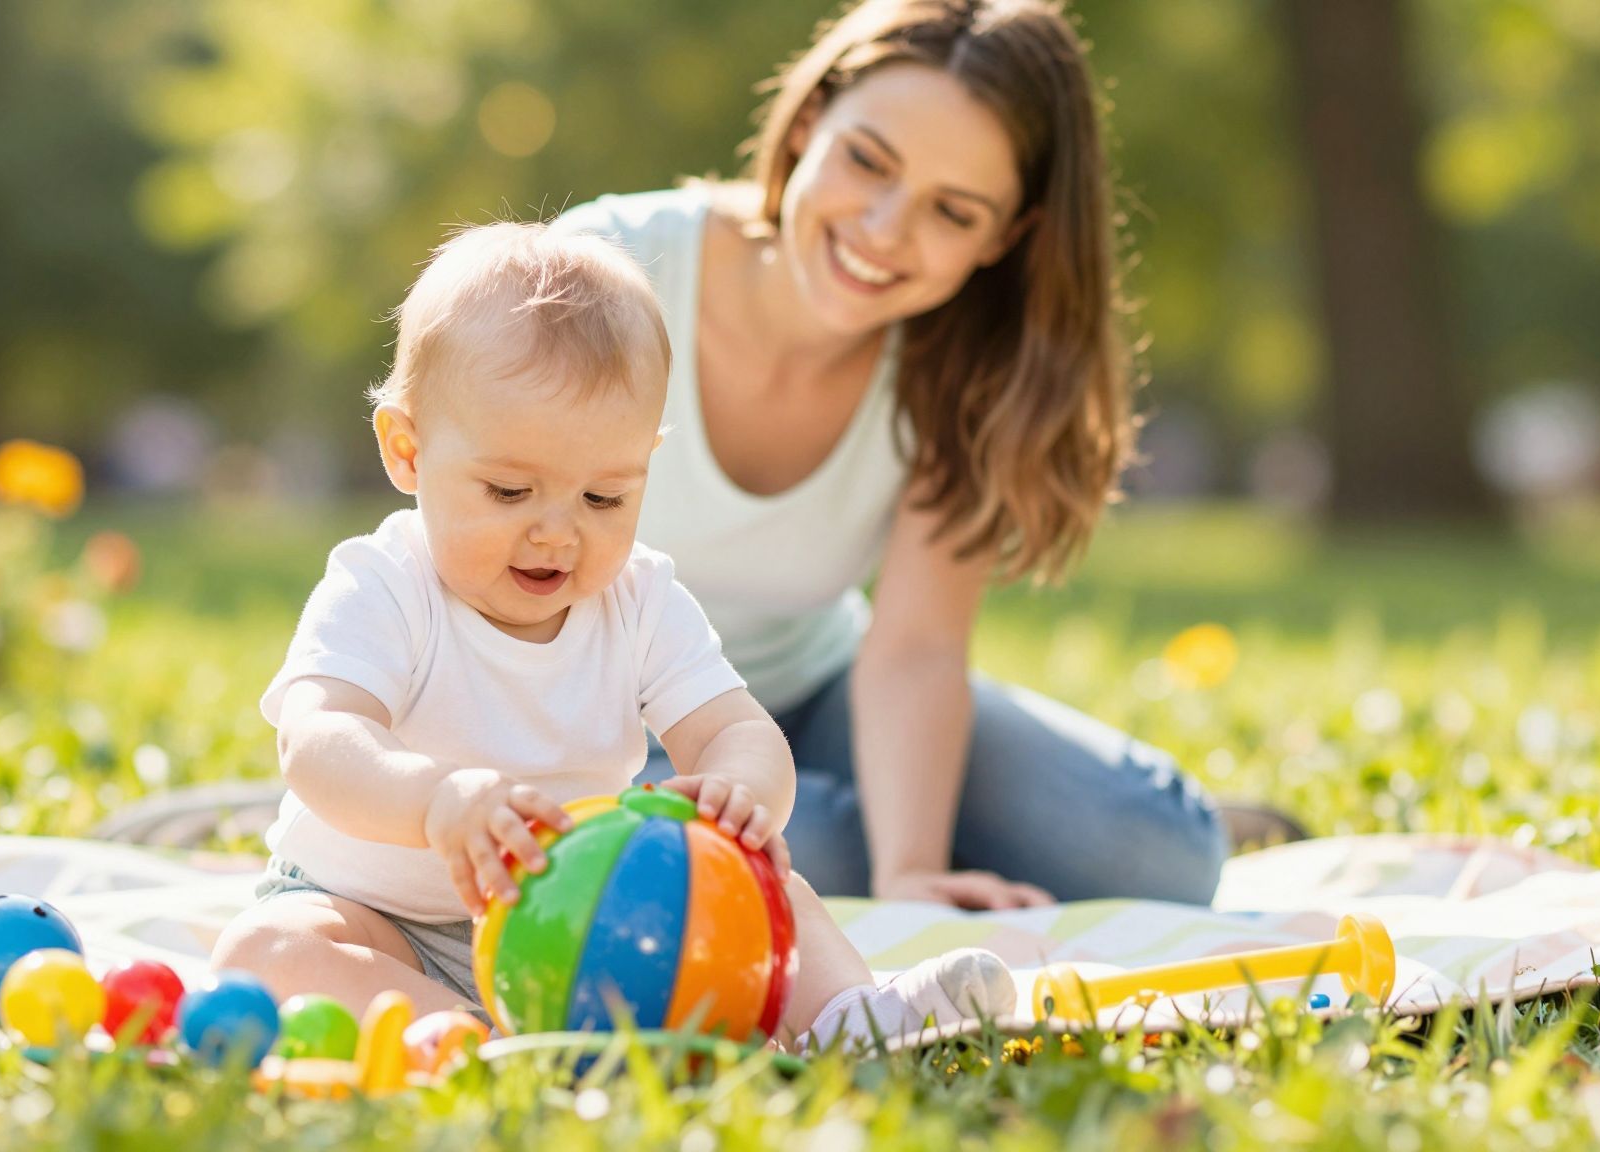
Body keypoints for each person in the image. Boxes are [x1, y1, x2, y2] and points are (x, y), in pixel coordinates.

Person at [209, 222, 1017, 1049]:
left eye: (604, 499)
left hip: (586, 917)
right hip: (384, 918)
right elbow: (318, 737)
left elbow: (733, 726)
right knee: (266, 949)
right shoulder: (384, 583)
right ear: (408, 451)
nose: (558, 534)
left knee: (770, 882)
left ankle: (853, 1018)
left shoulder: (639, 599)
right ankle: (464, 1037)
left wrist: (740, 791)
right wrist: (433, 801)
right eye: (510, 491)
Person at [552, 0, 1249, 908]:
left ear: (1004, 238)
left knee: (1160, 854)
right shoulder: (605, 271)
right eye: (867, 160)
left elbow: (916, 648)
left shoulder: (964, 368)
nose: (883, 228)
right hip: (575, 720)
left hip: (807, 698)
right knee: (819, 852)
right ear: (809, 124)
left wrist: (911, 867)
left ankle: (920, 831)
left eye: (951, 212)